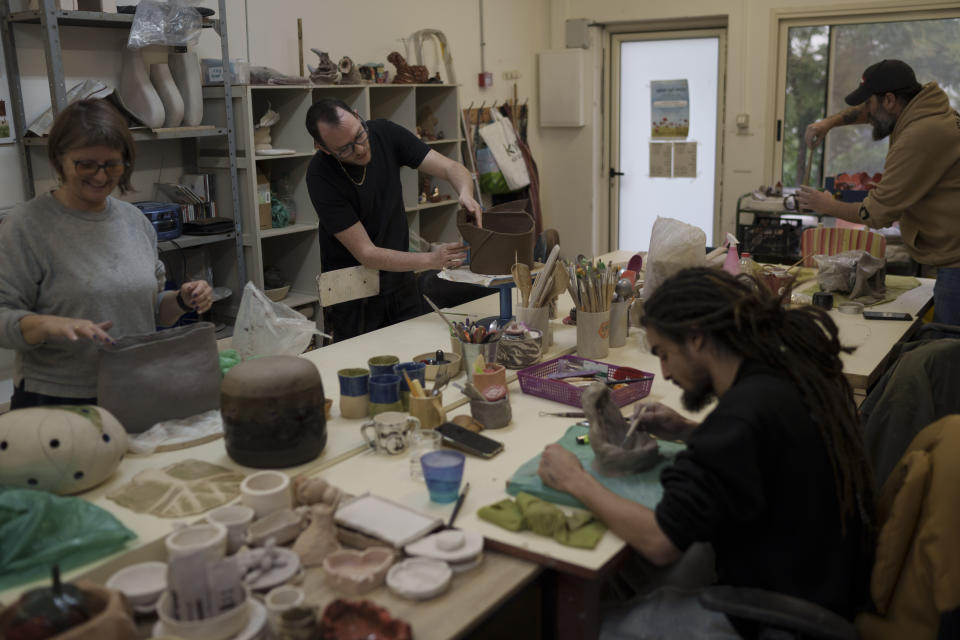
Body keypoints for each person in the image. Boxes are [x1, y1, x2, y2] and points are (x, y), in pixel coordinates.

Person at [537, 268, 876, 638]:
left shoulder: (741, 417)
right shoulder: (782, 372)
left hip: (779, 616)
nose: (664, 372)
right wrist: (689, 431)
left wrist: (575, 480)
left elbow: (660, 541)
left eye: (664, 354)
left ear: (697, 339)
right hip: (821, 576)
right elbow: (768, 447)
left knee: (592, 627)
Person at [0, 99, 213, 409]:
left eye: (112, 164)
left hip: (133, 386)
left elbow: (150, 311)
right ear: (60, 159)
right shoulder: (27, 225)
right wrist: (47, 324)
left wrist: (182, 299)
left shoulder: (134, 221)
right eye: (86, 164)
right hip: (58, 400)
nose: (100, 176)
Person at [305, 97, 483, 341]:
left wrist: (465, 192)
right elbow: (366, 253)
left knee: (413, 354)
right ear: (323, 148)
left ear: (358, 116)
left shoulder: (384, 133)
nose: (359, 149)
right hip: (354, 292)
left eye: (359, 135)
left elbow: (451, 168)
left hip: (400, 280)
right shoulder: (320, 176)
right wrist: (431, 259)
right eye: (345, 148)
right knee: (362, 366)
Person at [798, 59, 960, 325]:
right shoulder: (930, 110)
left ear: (889, 100)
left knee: (947, 354)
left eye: (869, 103)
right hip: (952, 258)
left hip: (956, 265)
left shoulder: (919, 135)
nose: (867, 113)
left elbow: (876, 213)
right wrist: (828, 123)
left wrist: (825, 204)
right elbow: (869, 113)